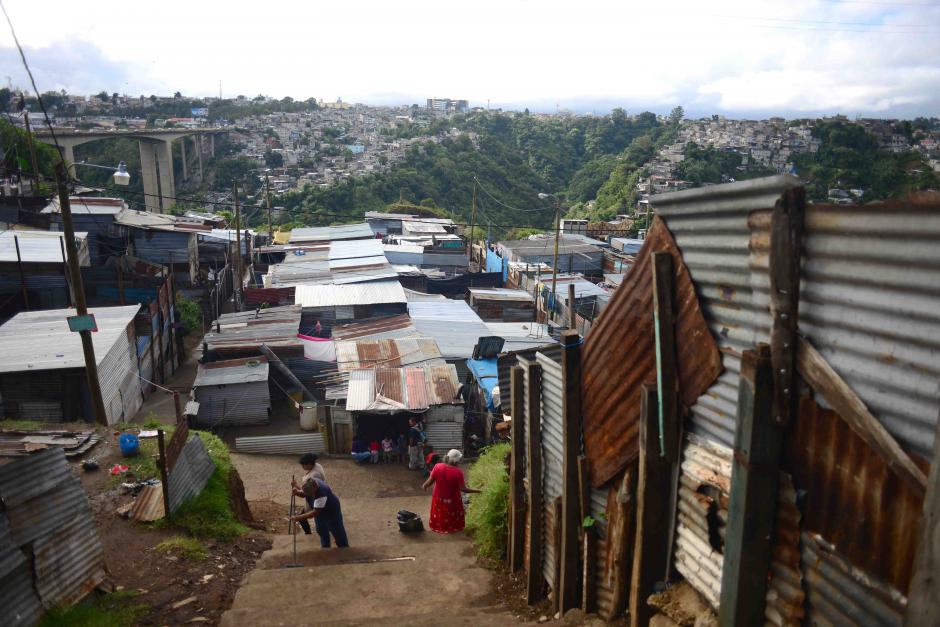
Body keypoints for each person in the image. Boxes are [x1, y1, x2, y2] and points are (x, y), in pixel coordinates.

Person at [422, 449, 481, 534]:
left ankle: (438, 527)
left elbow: (429, 482)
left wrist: (425, 485)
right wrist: (478, 491)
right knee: (451, 515)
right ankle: (451, 528)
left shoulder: (437, 466)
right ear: (456, 461)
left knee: (440, 515)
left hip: (438, 498)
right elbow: (463, 489)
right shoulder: (458, 472)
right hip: (452, 500)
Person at [289, 477, 349, 548]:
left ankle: (343, 547)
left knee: (336, 530)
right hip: (319, 510)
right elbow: (305, 493)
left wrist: (298, 517)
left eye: (311, 494)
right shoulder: (311, 482)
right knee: (320, 529)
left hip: (331, 511)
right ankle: (325, 547)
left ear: (315, 488)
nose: (310, 495)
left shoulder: (322, 493)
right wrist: (297, 492)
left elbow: (315, 512)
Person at [291, 453, 326, 535]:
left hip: (314, 499)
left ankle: (312, 534)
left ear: (310, 464)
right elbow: (307, 490)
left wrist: (296, 491)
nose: (302, 467)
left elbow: (306, 493)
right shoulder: (317, 466)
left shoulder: (314, 475)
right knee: (318, 518)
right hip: (314, 497)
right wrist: (297, 486)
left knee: (317, 519)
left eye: (303, 465)